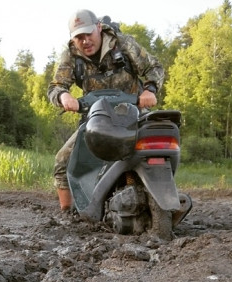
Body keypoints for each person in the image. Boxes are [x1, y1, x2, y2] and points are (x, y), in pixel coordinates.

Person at [48, 9, 165, 211]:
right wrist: (63, 96)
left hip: (133, 115)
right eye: (79, 37)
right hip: (97, 120)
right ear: (73, 39)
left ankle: (163, 200)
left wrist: (150, 89)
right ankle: (66, 213)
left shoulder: (124, 44)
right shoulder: (71, 56)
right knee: (62, 162)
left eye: (88, 34)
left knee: (157, 151)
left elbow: (154, 67)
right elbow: (56, 86)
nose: (85, 41)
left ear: (99, 28)